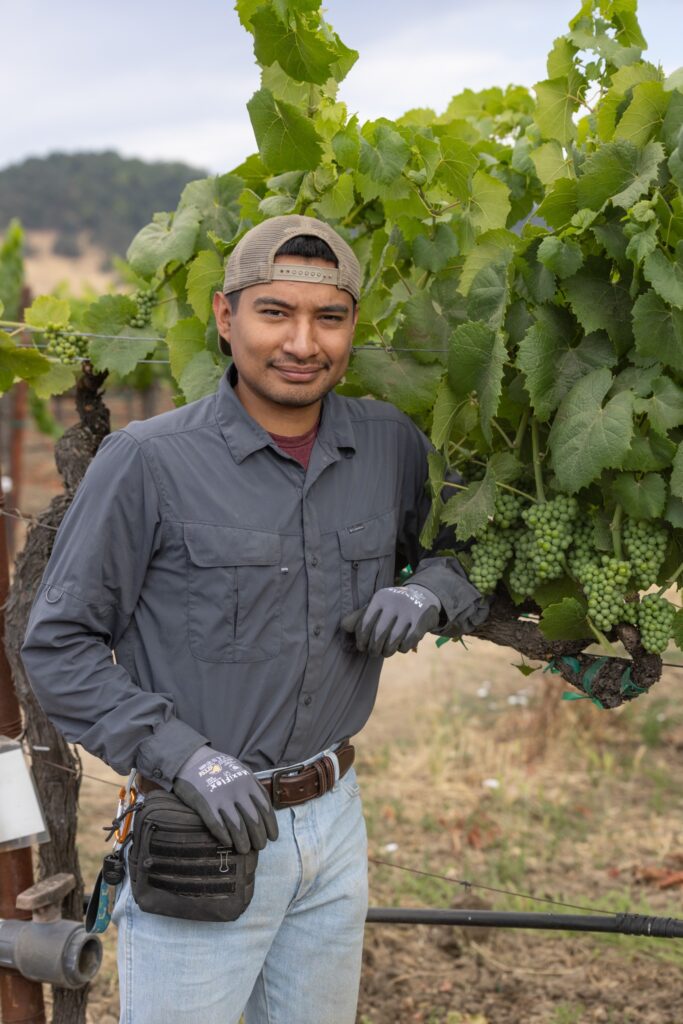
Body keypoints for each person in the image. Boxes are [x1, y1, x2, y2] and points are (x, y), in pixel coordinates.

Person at [21, 214, 489, 1024]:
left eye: (328, 318)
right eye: (275, 312)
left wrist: (429, 592)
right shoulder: (148, 462)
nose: (302, 342)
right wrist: (185, 759)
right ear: (224, 316)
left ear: (351, 328)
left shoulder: (390, 446)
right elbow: (57, 647)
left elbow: (466, 551)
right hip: (198, 831)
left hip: (334, 825)